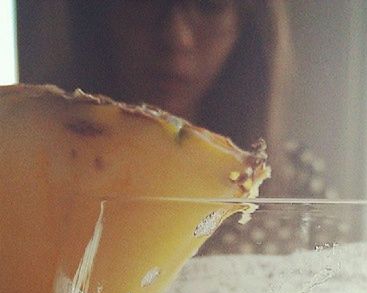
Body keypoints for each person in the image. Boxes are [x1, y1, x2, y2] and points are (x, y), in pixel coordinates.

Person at [62, 0, 344, 253]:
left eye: (210, 5)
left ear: (246, 25)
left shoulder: (300, 183)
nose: (176, 38)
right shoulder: (45, 174)